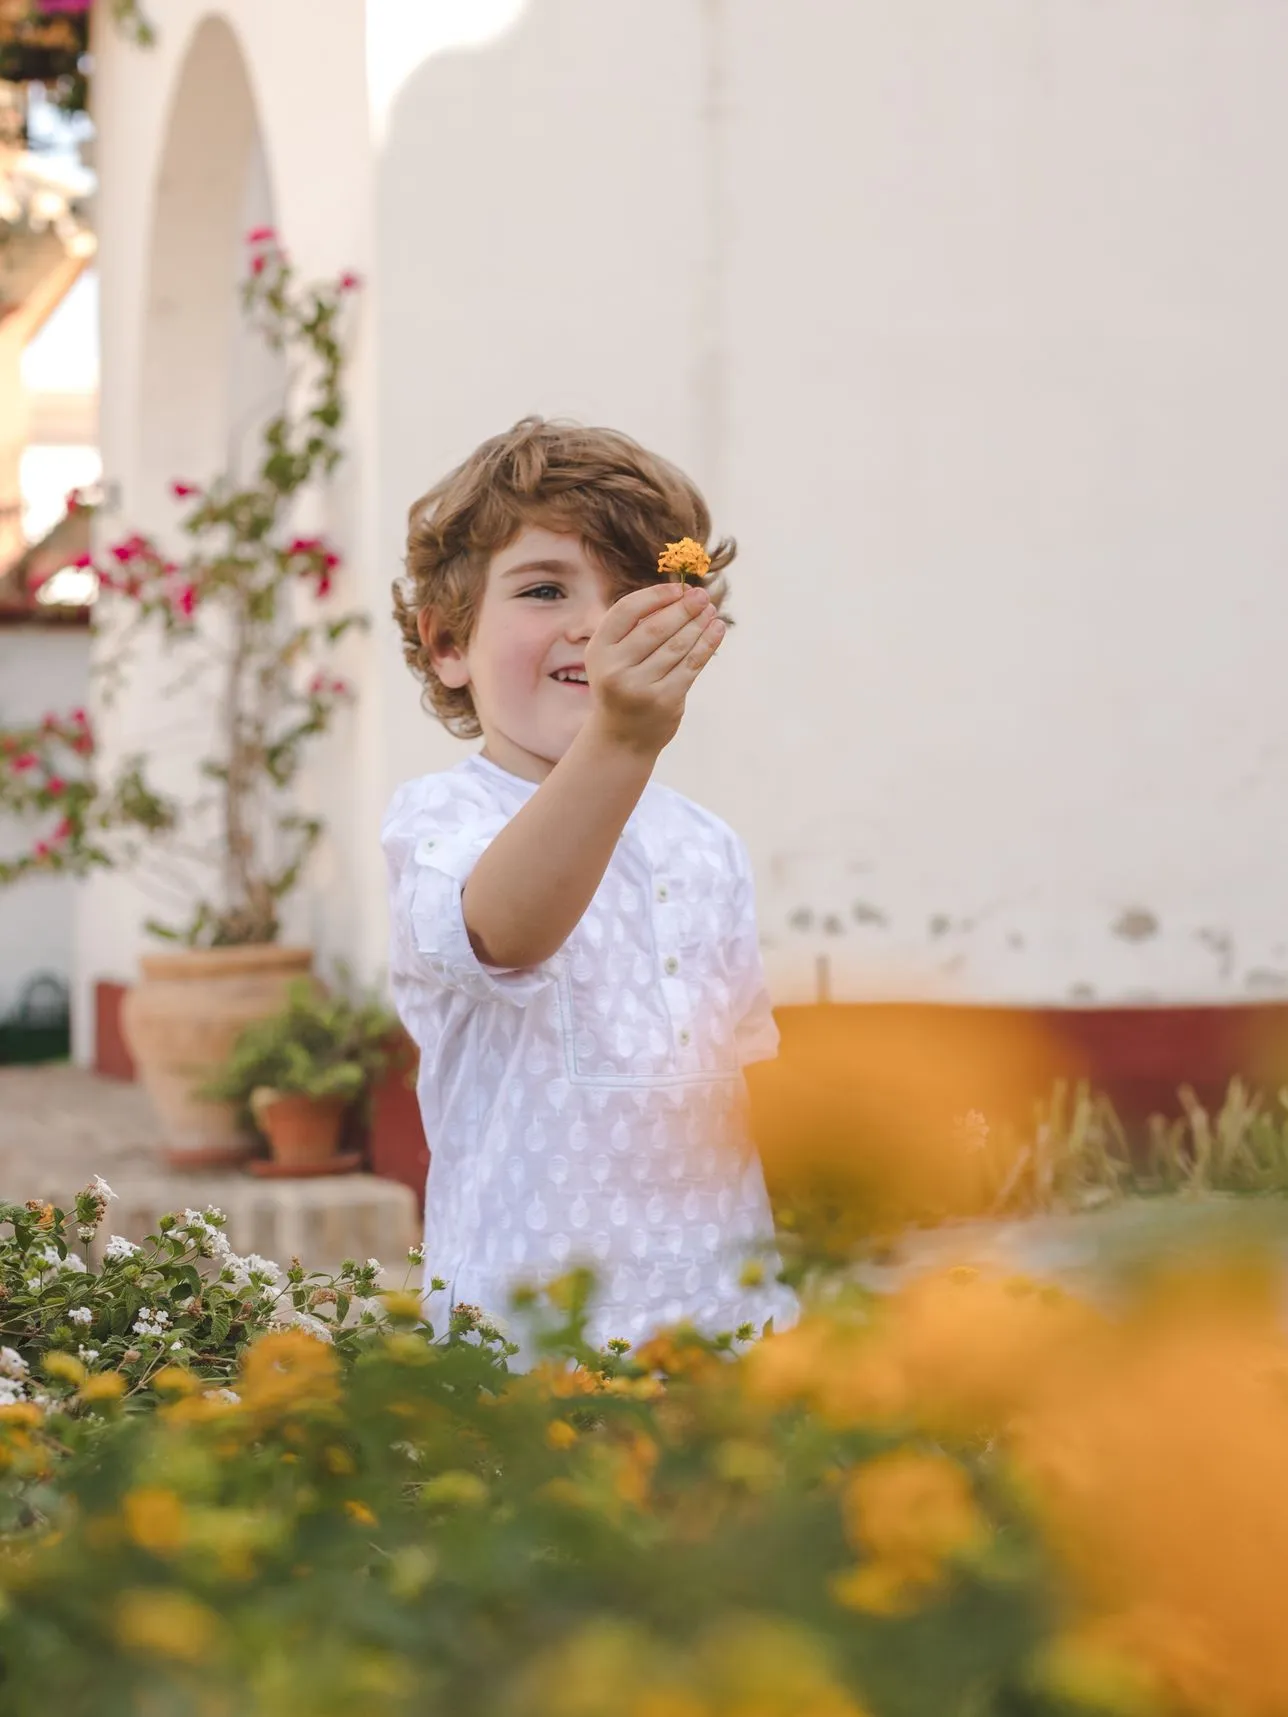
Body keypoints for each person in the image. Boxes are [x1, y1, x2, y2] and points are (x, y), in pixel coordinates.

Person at [382, 416, 795, 1358]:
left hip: (728, 1334)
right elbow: (508, 929)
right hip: (529, 1356)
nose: (595, 624)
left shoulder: (706, 845)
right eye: (542, 588)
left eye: (634, 594)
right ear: (447, 643)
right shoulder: (441, 825)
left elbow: (746, 1086)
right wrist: (622, 737)